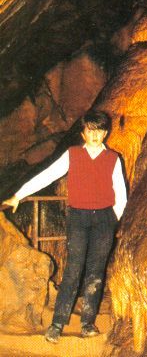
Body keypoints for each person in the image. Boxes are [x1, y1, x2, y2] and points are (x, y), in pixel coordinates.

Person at [2, 110, 127, 343]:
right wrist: (19, 195)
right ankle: (57, 323)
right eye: (91, 130)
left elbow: (121, 193)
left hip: (103, 220)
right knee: (73, 269)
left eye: (99, 131)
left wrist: (113, 219)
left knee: (96, 273)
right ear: (84, 132)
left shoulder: (113, 159)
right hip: (78, 217)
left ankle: (87, 323)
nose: (95, 135)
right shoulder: (73, 155)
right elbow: (47, 175)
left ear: (106, 133)